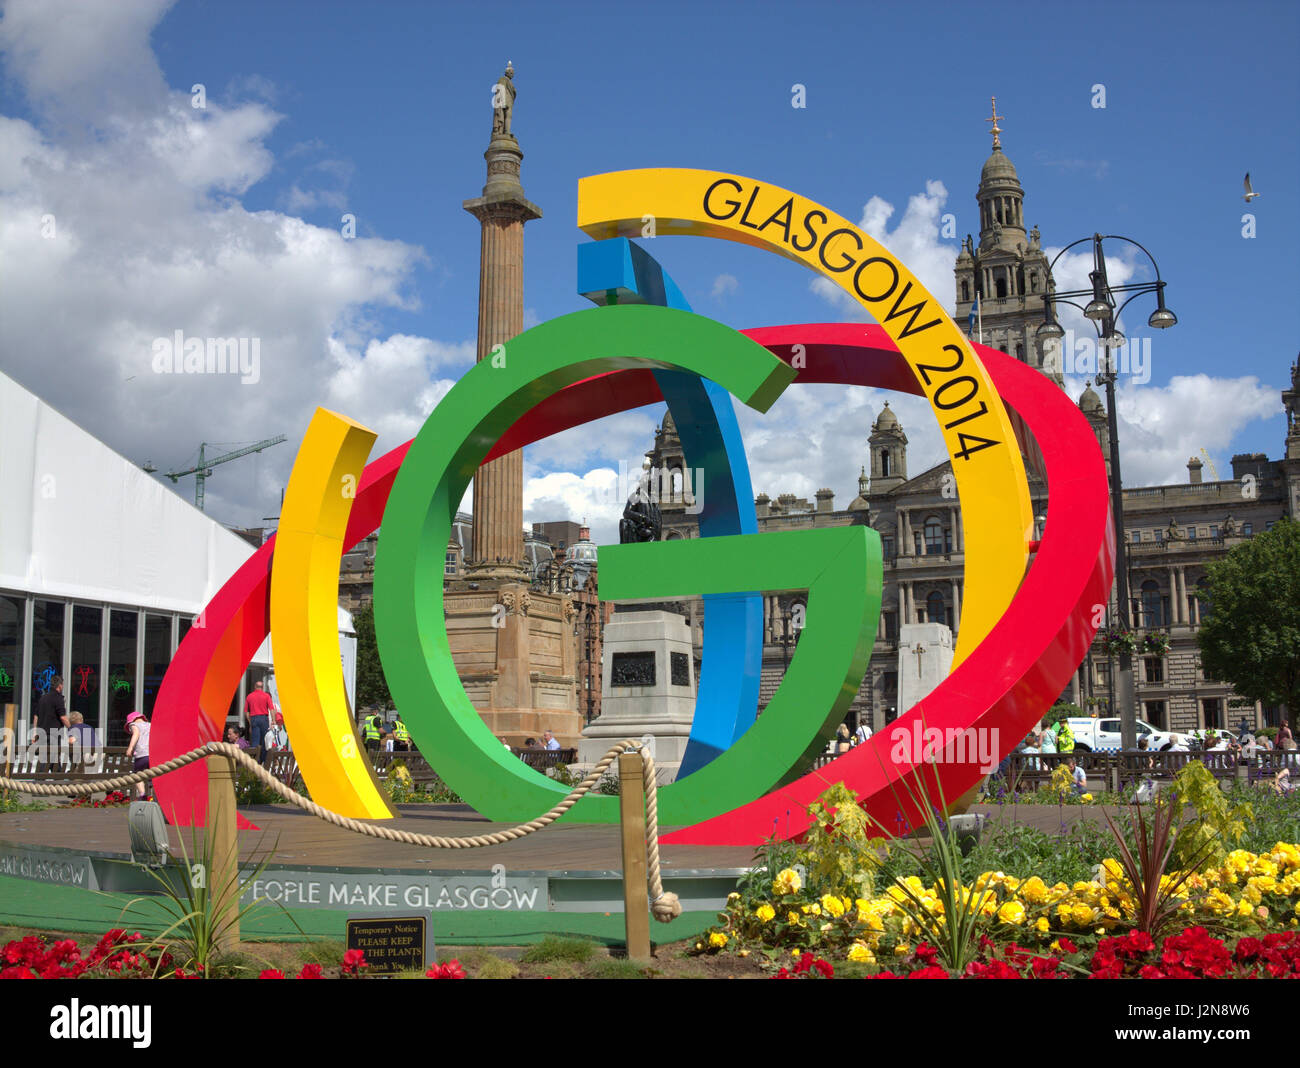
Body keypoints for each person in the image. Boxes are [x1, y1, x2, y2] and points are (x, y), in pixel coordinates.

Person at [243, 680, 278, 762]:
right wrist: (273, 720)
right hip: (263, 719)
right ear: (262, 688)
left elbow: (246, 712)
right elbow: (271, 709)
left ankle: (255, 762)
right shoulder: (266, 696)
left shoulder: (249, 696)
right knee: (264, 741)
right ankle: (263, 761)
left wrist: (250, 722)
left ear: (255, 687)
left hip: (254, 718)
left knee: (255, 742)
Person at [34, 676, 69, 746]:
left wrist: (35, 732)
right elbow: (63, 717)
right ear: (60, 686)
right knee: (53, 756)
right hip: (53, 735)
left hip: (41, 734)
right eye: (62, 685)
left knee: (43, 756)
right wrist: (71, 728)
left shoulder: (42, 698)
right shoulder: (58, 699)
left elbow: (36, 717)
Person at [124, 710, 151, 800]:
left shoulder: (134, 725)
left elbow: (136, 734)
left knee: (137, 775)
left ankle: (142, 794)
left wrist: (130, 747)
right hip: (152, 754)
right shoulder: (150, 725)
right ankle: (154, 792)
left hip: (142, 754)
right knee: (155, 773)